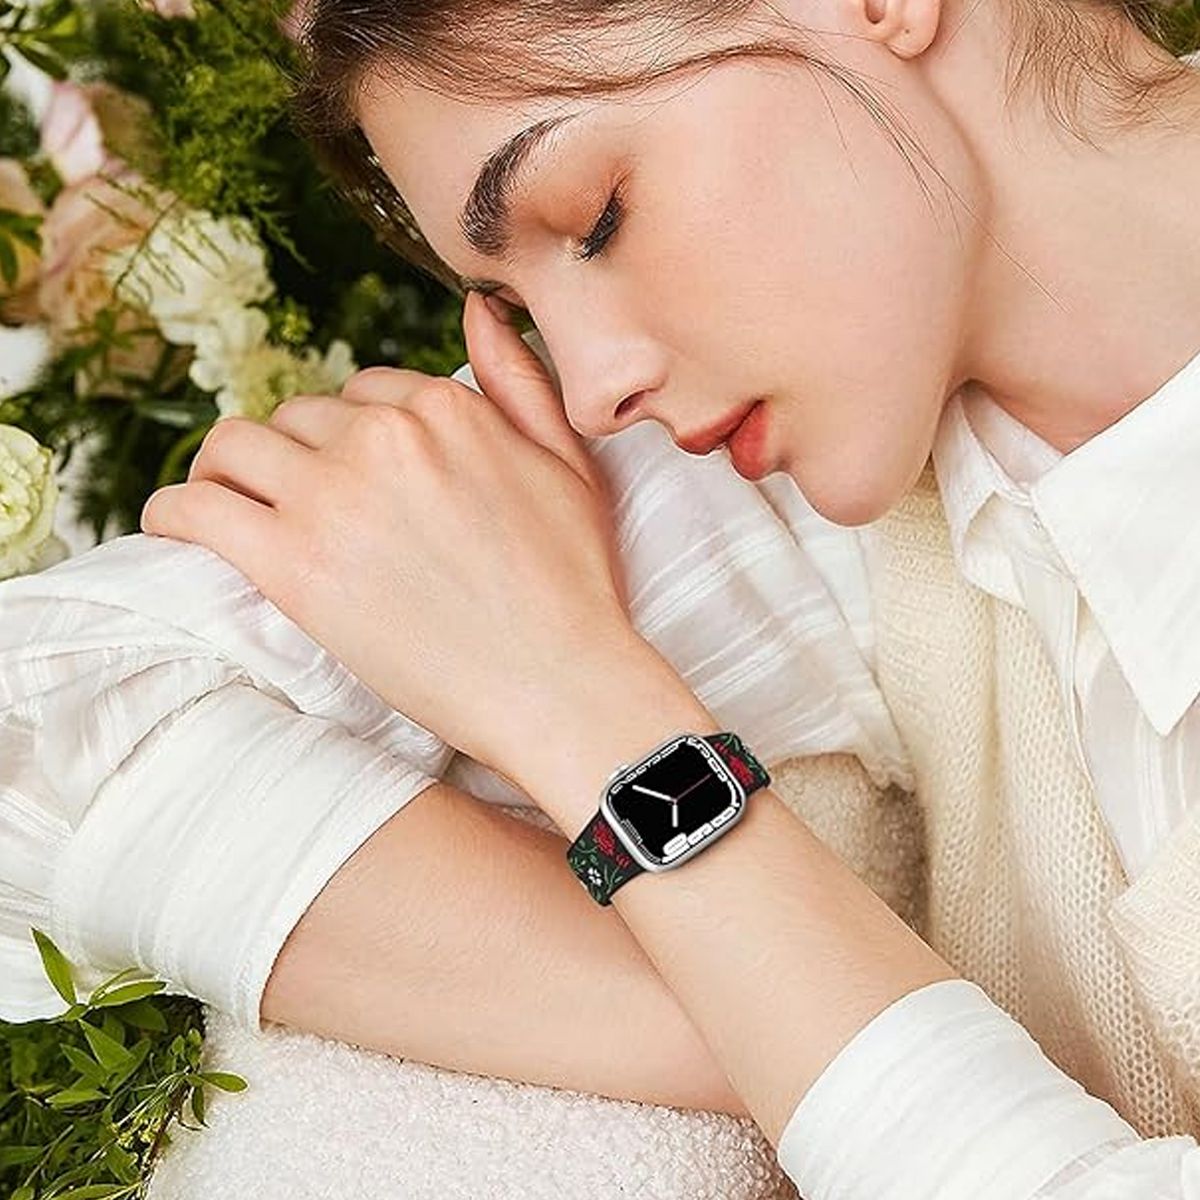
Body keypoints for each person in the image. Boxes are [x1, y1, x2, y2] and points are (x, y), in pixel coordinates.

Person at [4, 0, 1200, 1195]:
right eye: (520, 307)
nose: (589, 387)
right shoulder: (848, 463)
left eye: (595, 219)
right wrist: (819, 1024)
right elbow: (42, 722)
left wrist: (582, 705)